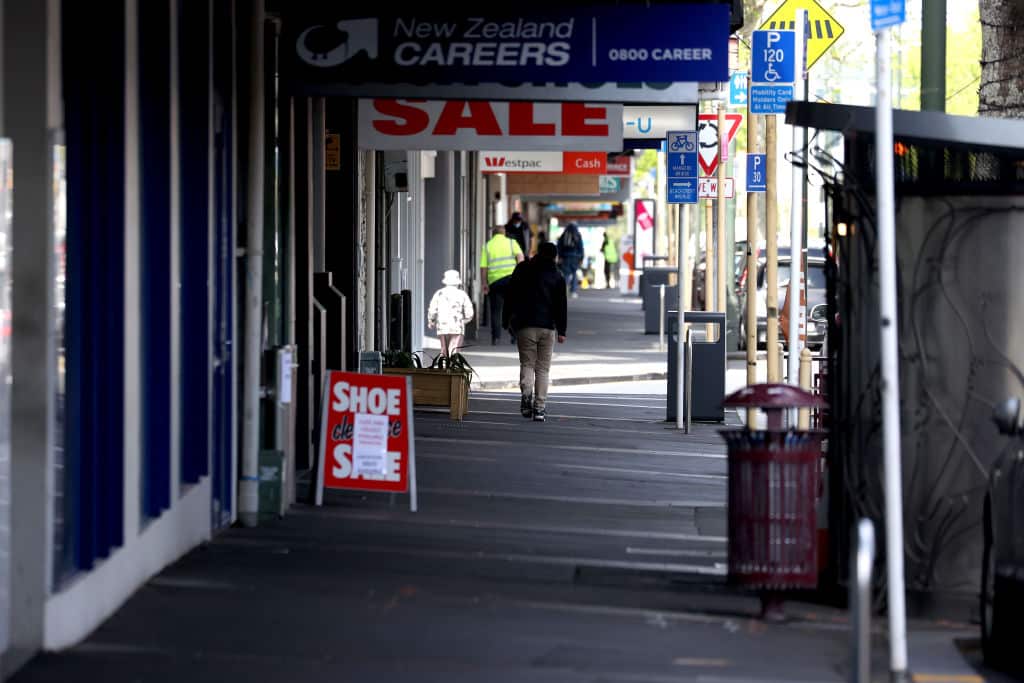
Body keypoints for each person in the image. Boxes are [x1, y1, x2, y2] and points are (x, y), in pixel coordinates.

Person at [503, 242, 567, 422]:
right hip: (548, 327)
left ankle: (526, 397)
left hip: (525, 326)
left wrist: (505, 319)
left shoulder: (523, 269)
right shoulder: (557, 276)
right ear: (554, 257)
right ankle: (539, 408)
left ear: (538, 253)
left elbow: (511, 295)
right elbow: (561, 306)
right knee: (543, 369)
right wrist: (562, 330)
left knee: (527, 364)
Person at [480, 224, 524, 345]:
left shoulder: (487, 246)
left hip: (495, 282)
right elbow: (520, 257)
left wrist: (484, 283)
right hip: (512, 280)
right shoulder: (511, 243)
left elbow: (483, 267)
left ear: (493, 234)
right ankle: (514, 336)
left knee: (496, 310)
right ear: (504, 233)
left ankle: (496, 337)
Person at [427, 269, 474, 357]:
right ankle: (452, 366)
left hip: (442, 326)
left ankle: (444, 364)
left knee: (444, 349)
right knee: (454, 349)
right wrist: (465, 320)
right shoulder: (462, 294)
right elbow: (469, 311)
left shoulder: (439, 293)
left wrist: (431, 321)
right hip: (457, 326)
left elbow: (432, 309)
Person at [556, 222, 585, 298]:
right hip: (575, 257)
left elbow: (559, 246)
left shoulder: (564, 235)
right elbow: (581, 247)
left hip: (565, 257)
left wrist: (560, 257)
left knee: (565, 275)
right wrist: (581, 257)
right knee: (574, 274)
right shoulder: (577, 235)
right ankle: (573, 291)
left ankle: (563, 291)